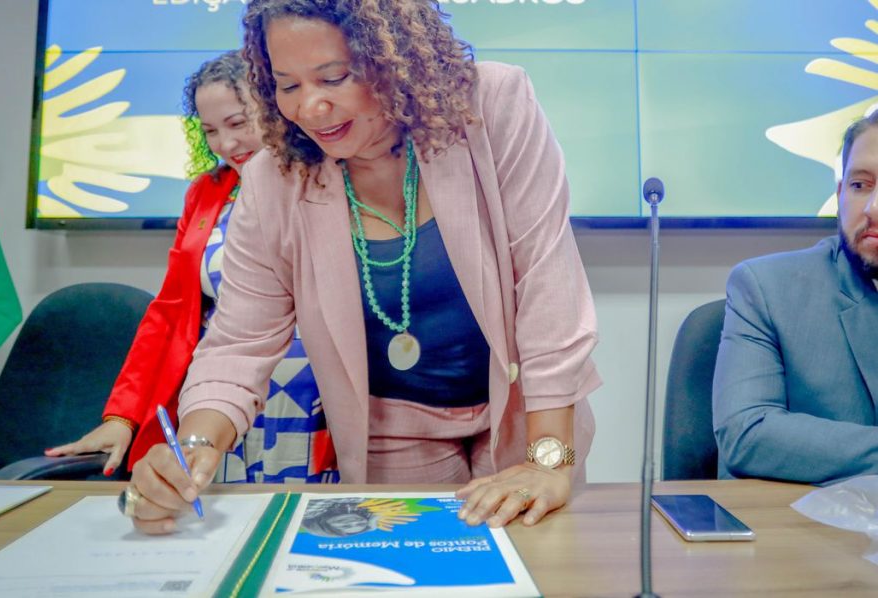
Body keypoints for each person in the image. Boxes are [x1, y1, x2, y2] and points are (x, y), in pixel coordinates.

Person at [125, 0, 601, 535]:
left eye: (335, 77)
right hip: (391, 425)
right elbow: (240, 341)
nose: (311, 107)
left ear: (396, 59)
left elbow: (547, 285)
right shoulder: (274, 178)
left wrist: (548, 461)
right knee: (416, 561)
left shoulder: (490, 106)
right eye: (288, 85)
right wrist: (193, 447)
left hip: (524, 410)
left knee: (539, 558)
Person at [45, 51, 338, 484]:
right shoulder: (207, 193)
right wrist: (123, 417)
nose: (226, 144)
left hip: (317, 390)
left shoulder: (330, 179)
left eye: (238, 123)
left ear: (276, 110)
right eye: (211, 131)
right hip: (224, 392)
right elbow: (170, 313)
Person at [713, 111, 878, 484]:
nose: (872, 208)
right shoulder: (766, 288)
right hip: (803, 517)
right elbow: (747, 433)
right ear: (840, 193)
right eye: (860, 185)